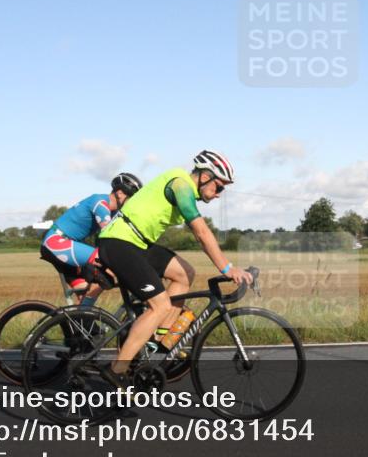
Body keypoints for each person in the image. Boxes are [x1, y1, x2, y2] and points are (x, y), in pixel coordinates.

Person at [97, 150, 254, 383]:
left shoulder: (185, 187)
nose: (219, 194)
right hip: (119, 242)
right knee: (159, 306)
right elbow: (201, 232)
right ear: (204, 176)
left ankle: (159, 340)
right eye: (219, 187)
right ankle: (116, 371)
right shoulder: (181, 185)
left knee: (184, 273)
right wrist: (227, 268)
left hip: (137, 242)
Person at [39, 172, 142, 306]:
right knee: (107, 268)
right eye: (132, 198)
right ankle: (83, 319)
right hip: (56, 243)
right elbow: (111, 235)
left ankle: (83, 322)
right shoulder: (100, 203)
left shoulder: (115, 212)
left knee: (92, 286)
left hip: (69, 247)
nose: (132, 203)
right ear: (120, 193)